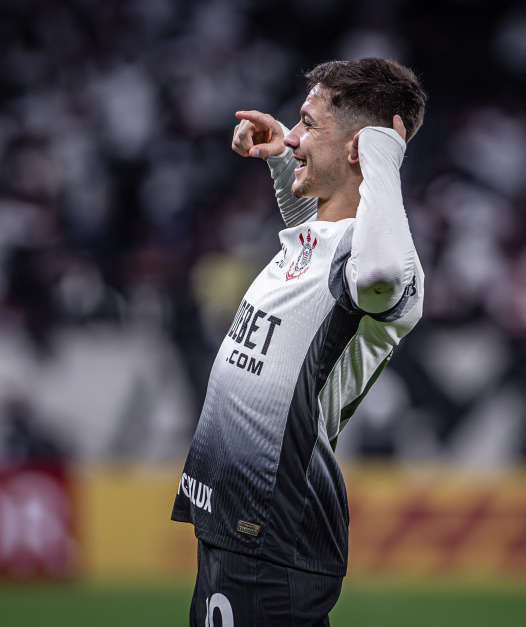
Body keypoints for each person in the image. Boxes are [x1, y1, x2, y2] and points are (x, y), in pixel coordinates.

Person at [172, 58, 427, 626]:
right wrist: (288, 155)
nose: (292, 133)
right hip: (240, 517)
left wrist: (386, 151)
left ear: (362, 147)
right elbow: (322, 239)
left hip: (274, 523)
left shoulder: (384, 265)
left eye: (308, 124)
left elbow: (375, 271)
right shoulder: (323, 239)